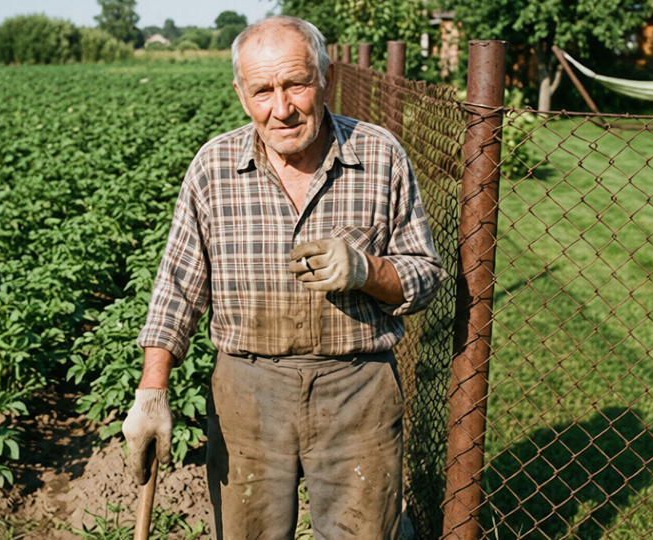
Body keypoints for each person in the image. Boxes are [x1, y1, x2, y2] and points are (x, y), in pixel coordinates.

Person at [121, 15, 446, 539]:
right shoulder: (213, 167)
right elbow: (176, 288)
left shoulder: (381, 155)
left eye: (296, 83)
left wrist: (367, 270)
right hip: (247, 394)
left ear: (326, 77)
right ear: (240, 93)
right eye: (263, 90)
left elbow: (426, 275)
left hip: (356, 391)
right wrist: (152, 392)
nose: (282, 108)